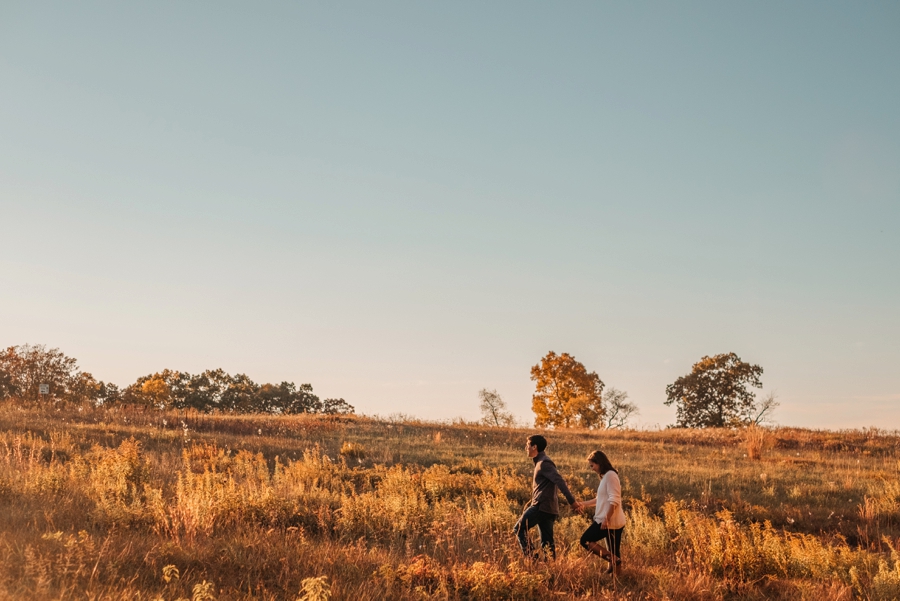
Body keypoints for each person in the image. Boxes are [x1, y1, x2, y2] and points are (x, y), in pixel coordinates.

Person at [513, 434, 577, 559]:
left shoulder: (544, 463)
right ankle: (551, 568)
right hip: (548, 508)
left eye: (528, 445)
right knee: (547, 543)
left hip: (540, 506)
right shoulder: (540, 462)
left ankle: (532, 559)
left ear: (534, 447)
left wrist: (572, 502)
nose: (526, 448)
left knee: (519, 529)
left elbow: (560, 481)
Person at [574, 450, 626, 575]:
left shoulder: (610, 476)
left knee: (585, 540)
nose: (592, 469)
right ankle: (615, 575)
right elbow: (600, 499)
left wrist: (606, 519)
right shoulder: (607, 476)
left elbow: (615, 500)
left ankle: (613, 560)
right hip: (613, 520)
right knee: (613, 549)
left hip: (607, 520)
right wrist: (582, 504)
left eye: (592, 465)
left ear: (599, 462)